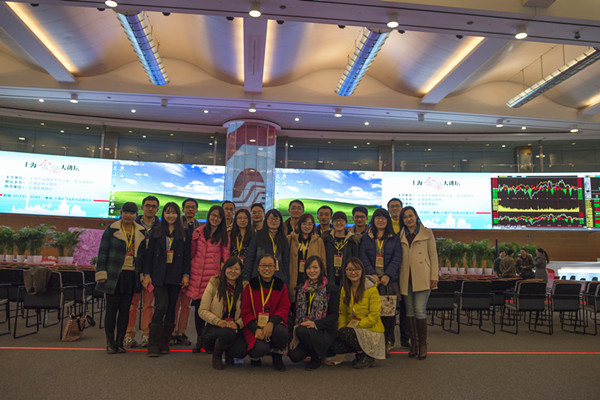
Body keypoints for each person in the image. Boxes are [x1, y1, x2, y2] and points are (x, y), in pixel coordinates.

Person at [95, 202, 146, 354]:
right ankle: (110, 343)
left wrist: (143, 274)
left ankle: (120, 342)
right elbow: (102, 252)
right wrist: (101, 272)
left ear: (136, 215)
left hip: (131, 275)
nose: (128, 216)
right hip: (113, 274)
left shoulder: (141, 231)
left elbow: (143, 256)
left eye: (131, 213)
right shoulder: (112, 229)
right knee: (111, 310)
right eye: (126, 212)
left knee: (125, 311)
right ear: (121, 213)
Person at [142, 202, 191, 357]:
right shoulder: (156, 231)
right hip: (159, 276)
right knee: (161, 306)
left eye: (174, 213)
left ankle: (164, 342)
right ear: (163, 214)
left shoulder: (184, 232)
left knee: (171, 309)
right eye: (168, 212)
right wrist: (147, 274)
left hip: (175, 275)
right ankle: (153, 344)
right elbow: (149, 255)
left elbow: (187, 256)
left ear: (178, 214)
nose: (171, 215)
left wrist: (186, 274)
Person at [186, 205, 230, 352]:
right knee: (199, 310)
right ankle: (200, 340)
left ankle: (209, 341)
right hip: (197, 276)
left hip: (213, 278)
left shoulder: (224, 235)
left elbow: (226, 257)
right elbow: (192, 253)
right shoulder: (198, 232)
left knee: (213, 311)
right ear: (209, 216)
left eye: (219, 216)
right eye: (213, 215)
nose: (215, 218)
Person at [359, 208, 402, 357]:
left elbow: (397, 258)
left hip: (388, 283)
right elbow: (363, 256)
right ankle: (371, 343)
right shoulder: (366, 237)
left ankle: (385, 343)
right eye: (377, 218)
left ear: (387, 221)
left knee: (388, 315)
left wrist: (388, 275)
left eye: (383, 218)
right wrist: (371, 274)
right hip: (371, 282)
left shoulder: (394, 238)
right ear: (373, 220)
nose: (380, 220)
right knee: (371, 313)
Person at [398, 206, 438, 360]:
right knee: (409, 311)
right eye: (405, 217)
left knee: (419, 310)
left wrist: (434, 276)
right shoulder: (400, 234)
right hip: (405, 277)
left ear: (416, 216)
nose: (408, 219)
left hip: (423, 276)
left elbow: (433, 256)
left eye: (411, 216)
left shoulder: (427, 232)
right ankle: (413, 343)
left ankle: (423, 344)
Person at [331, 257, 385, 368]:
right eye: (350, 269)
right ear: (345, 272)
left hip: (371, 331)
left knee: (345, 332)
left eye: (357, 269)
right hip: (353, 330)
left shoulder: (372, 290)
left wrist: (354, 326)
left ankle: (368, 355)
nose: (353, 272)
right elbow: (343, 313)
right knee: (334, 345)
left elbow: (374, 317)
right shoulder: (344, 289)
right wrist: (341, 329)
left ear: (362, 271)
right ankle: (360, 353)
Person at [288, 255, 340, 370]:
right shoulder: (301, 289)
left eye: (315, 267)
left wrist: (315, 324)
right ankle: (317, 351)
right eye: (309, 268)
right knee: (293, 356)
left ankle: (316, 358)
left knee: (302, 330)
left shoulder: (331, 289)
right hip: (303, 330)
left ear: (321, 269)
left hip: (323, 330)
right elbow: (295, 315)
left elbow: (334, 316)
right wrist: (293, 336)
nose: (312, 271)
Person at [241, 254, 291, 371]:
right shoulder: (250, 286)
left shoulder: (281, 286)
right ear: (258, 268)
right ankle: (255, 357)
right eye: (263, 265)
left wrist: (272, 323)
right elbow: (246, 312)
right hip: (255, 326)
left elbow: (284, 308)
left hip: (274, 325)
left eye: (270, 265)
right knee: (259, 349)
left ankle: (277, 356)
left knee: (282, 333)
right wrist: (256, 329)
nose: (267, 268)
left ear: (275, 268)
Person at [199, 256, 247, 369]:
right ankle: (217, 355)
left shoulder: (244, 288)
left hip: (234, 327)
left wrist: (238, 324)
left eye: (236, 269)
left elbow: (247, 313)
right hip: (215, 327)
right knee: (227, 333)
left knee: (241, 351)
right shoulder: (214, 283)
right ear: (224, 269)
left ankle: (229, 352)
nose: (233, 271)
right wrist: (218, 321)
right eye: (230, 268)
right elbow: (202, 310)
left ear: (241, 272)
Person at [124, 195, 160, 348]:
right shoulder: (133, 224)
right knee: (131, 304)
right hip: (133, 269)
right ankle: (129, 334)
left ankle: (146, 334)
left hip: (151, 271)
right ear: (142, 207)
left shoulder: (160, 227)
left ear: (157, 209)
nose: (150, 208)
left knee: (148, 305)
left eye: (153, 206)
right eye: (147, 205)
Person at [171, 197, 200, 346]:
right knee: (175, 303)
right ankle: (171, 332)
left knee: (186, 305)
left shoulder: (199, 227)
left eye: (193, 207)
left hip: (193, 269)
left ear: (196, 210)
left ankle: (181, 333)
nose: (190, 209)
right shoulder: (175, 225)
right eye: (187, 207)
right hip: (177, 267)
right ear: (182, 209)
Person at [243, 209, 290, 285]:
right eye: (271, 218)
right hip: (258, 276)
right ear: (266, 220)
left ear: (280, 221)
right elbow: (250, 258)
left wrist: (286, 280)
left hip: (278, 277)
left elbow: (286, 262)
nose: (273, 221)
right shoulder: (257, 236)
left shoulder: (283, 239)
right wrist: (246, 277)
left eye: (276, 219)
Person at [288, 213, 326, 304]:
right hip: (295, 277)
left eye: (310, 224)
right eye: (304, 224)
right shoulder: (290, 239)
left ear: (313, 226)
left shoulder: (318, 241)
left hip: (312, 278)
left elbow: (323, 261)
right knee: (293, 304)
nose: (307, 227)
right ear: (299, 224)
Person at [324, 211, 359, 286]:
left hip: (347, 277)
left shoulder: (352, 240)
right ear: (332, 222)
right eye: (336, 221)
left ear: (345, 222)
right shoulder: (326, 239)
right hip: (329, 276)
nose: (338, 223)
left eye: (341, 221)